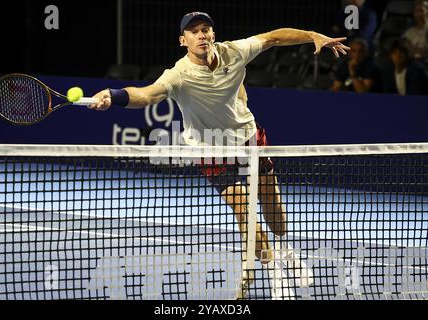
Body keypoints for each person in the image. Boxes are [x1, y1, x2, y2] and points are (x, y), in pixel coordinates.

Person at [89, 12, 349, 299]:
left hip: (248, 138)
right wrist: (114, 95)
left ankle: (287, 250)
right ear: (182, 40)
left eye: (205, 29)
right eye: (193, 32)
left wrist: (312, 36)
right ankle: (275, 269)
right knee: (245, 212)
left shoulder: (234, 51)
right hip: (210, 148)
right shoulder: (178, 74)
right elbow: (148, 95)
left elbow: (274, 37)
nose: (201, 35)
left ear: (213, 34)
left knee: (272, 207)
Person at [402, 0, 428, 64]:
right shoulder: (409, 32)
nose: (419, 14)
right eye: (416, 11)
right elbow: (405, 48)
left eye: (421, 10)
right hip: (413, 64)